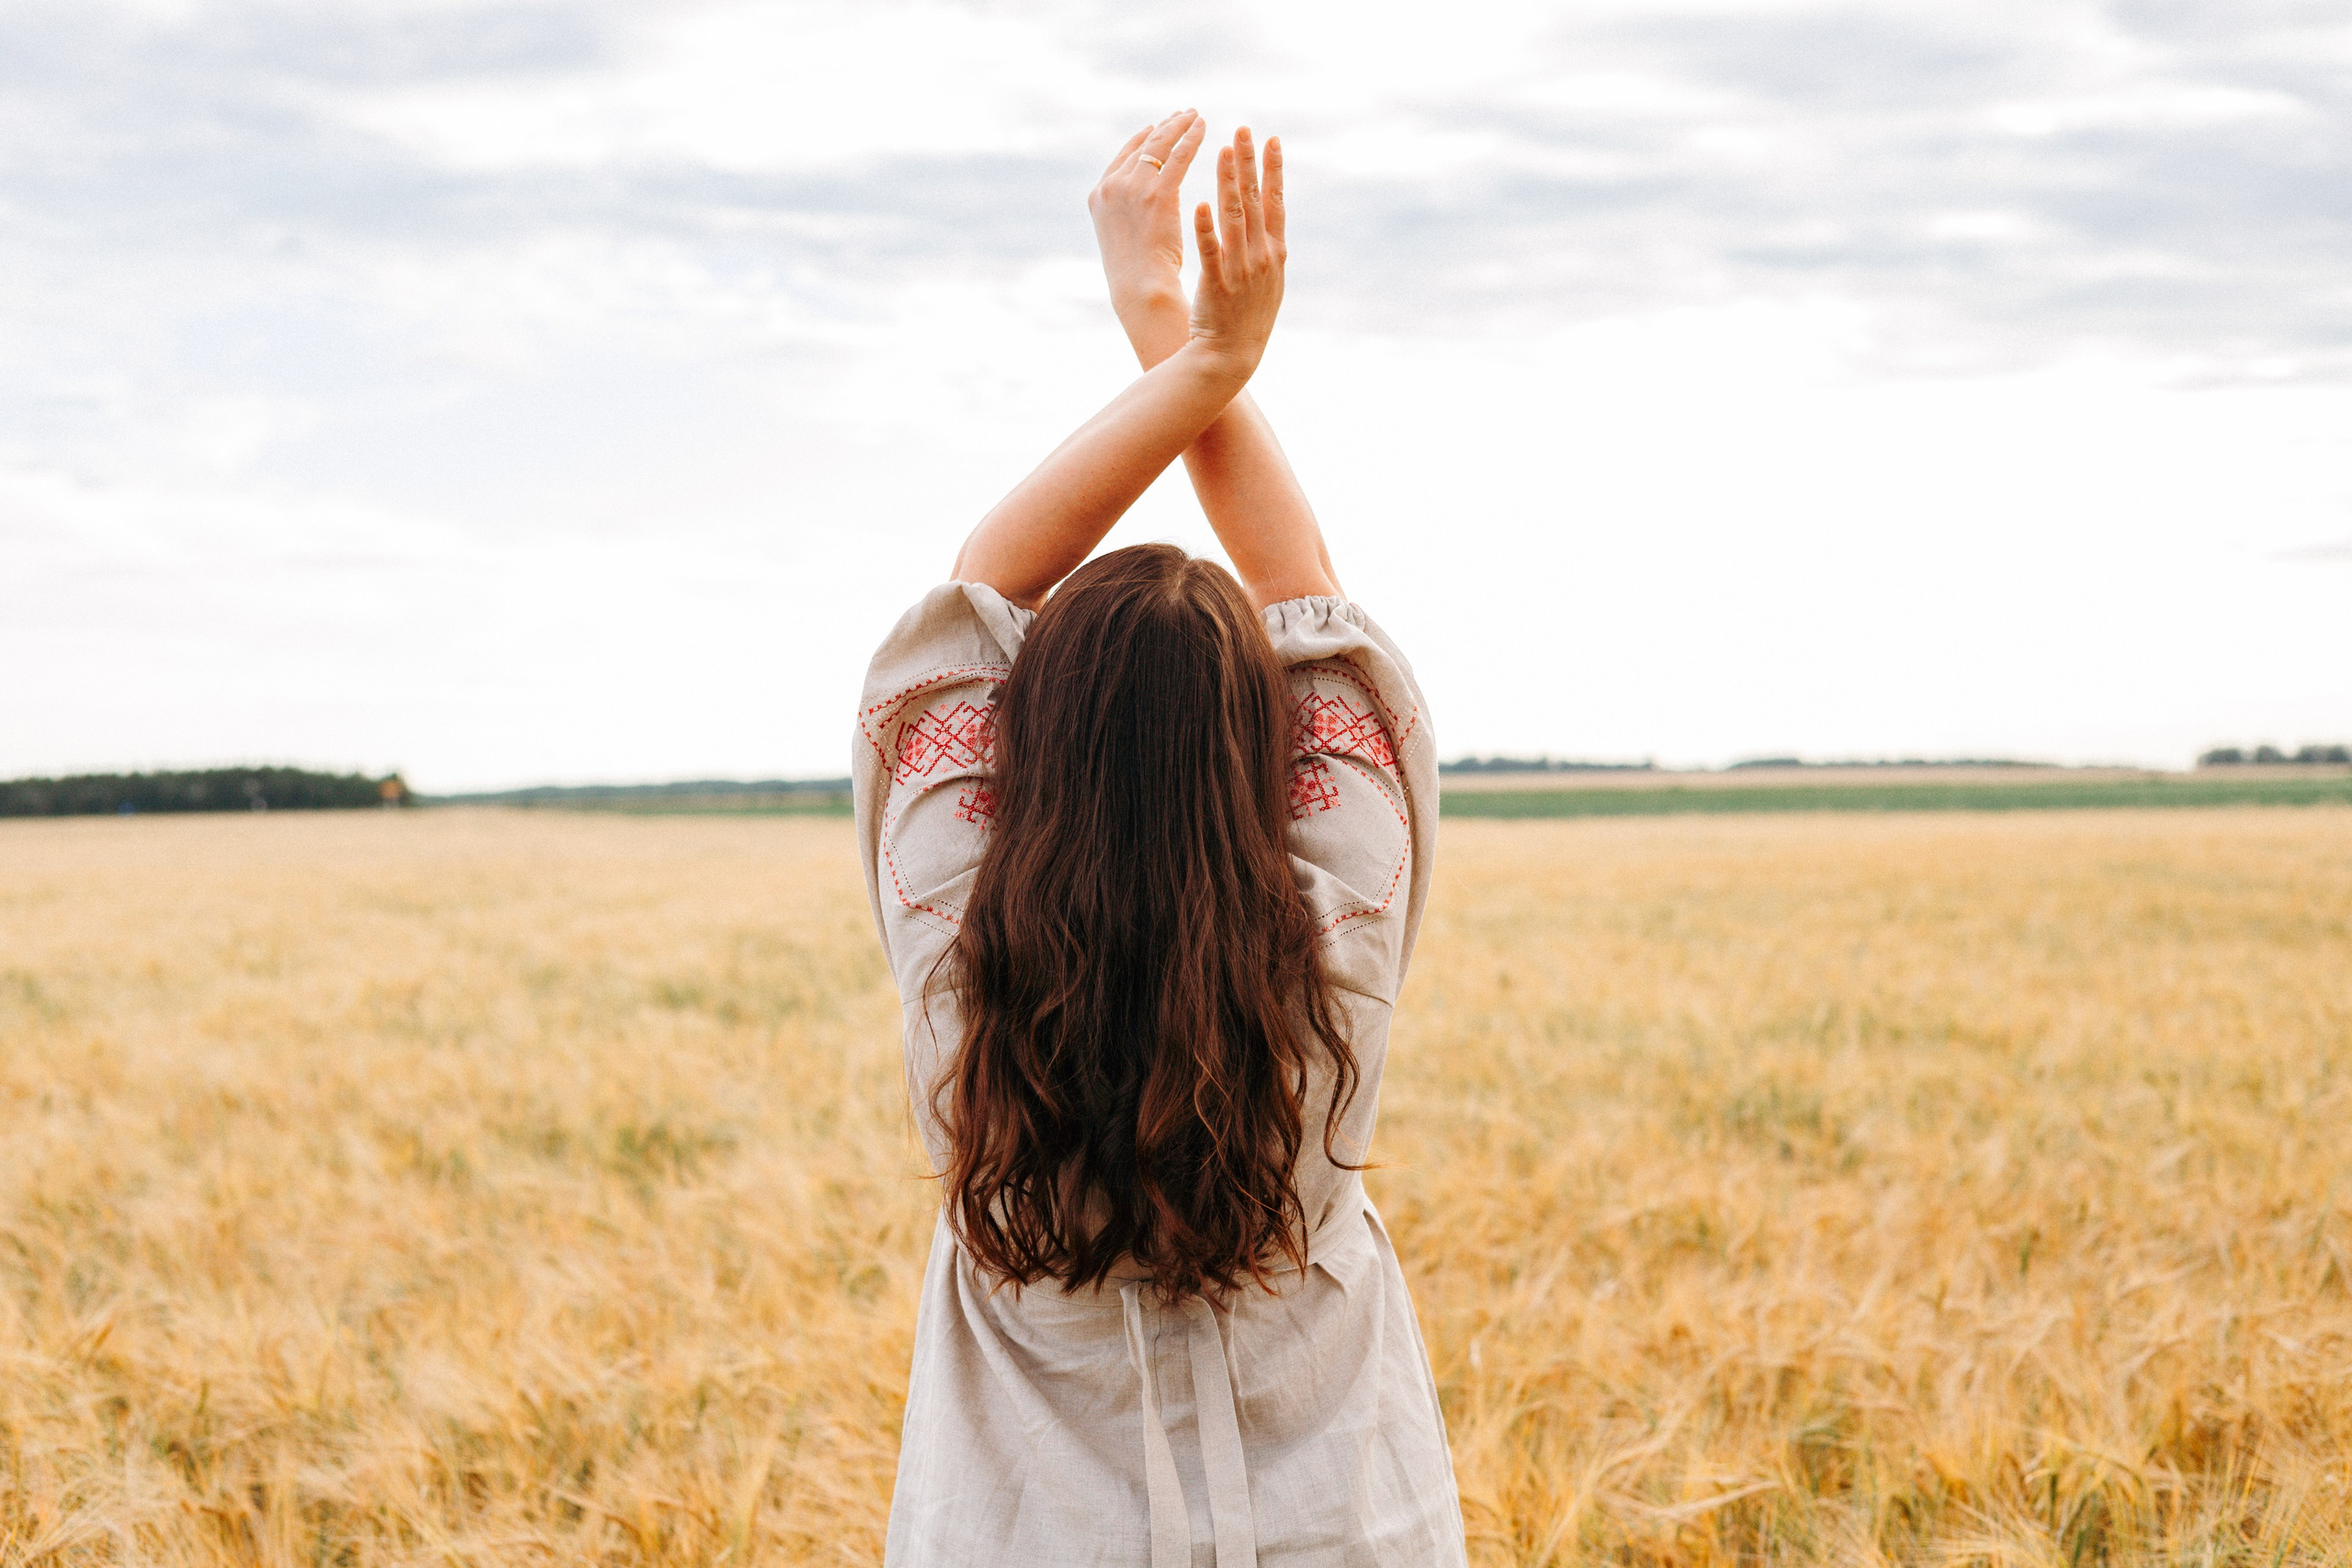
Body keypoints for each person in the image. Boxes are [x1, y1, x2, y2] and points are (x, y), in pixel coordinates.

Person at [853, 110, 1465, 1566]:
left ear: (1025, 748)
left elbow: (974, 590)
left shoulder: (956, 942)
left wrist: (1185, 350)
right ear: (1273, 753)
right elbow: (1304, 593)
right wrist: (1185, 337)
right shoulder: (1340, 921)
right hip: (1346, 1532)